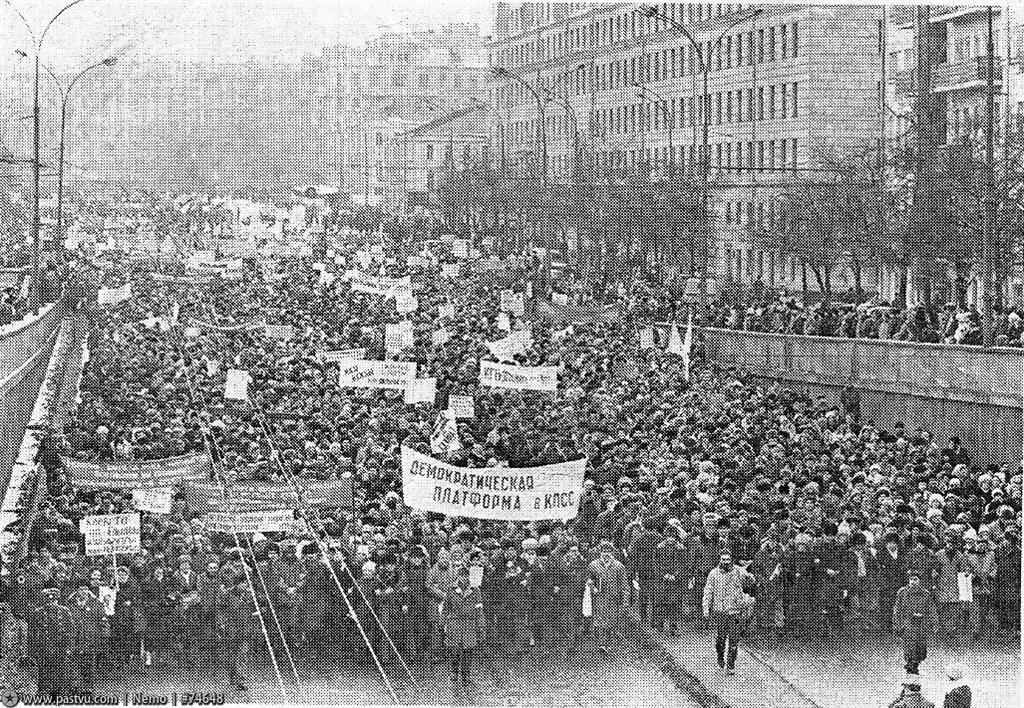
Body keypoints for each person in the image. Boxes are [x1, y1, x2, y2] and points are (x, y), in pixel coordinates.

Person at [703, 549, 754, 675]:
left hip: (735, 611)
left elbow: (750, 581)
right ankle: (720, 656)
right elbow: (708, 591)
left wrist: (749, 575)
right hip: (720, 612)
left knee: (734, 640)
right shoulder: (714, 573)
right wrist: (706, 608)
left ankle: (731, 664)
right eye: (723, 559)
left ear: (731, 559)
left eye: (728, 559)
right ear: (720, 560)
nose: (725, 562)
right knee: (721, 639)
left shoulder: (738, 571)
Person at [26, 586, 77, 698]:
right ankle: (44, 695)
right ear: (45, 600)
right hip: (44, 649)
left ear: (57, 600)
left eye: (54, 600)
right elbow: (32, 633)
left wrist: (69, 648)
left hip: (61, 648)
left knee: (61, 673)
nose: (52, 603)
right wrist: (34, 651)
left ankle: (61, 695)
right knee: (44, 673)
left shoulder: (65, 612)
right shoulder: (38, 613)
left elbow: (72, 631)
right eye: (49, 600)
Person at [442, 565, 484, 692]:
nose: (464, 578)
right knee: (455, 650)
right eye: (461, 575)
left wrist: (481, 626)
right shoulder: (451, 590)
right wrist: (442, 624)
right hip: (454, 623)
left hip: (470, 624)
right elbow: (445, 609)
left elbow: (479, 610)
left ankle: (466, 675)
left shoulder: (475, 591)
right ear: (458, 576)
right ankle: (454, 672)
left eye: (466, 576)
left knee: (468, 651)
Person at [892, 568, 938, 675]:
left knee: (921, 647)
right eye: (911, 579)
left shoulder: (925, 594)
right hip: (907, 623)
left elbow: (931, 609)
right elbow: (897, 609)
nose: (913, 582)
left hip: (922, 623)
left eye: (915, 579)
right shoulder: (902, 593)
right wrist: (897, 624)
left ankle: (915, 662)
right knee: (909, 645)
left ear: (919, 581)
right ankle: (910, 664)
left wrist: (934, 623)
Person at [587, 541, 628, 654]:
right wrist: (592, 587)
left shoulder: (619, 566)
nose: (606, 554)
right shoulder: (593, 566)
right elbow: (588, 581)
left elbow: (624, 585)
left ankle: (608, 643)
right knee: (599, 622)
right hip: (599, 599)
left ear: (612, 553)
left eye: (608, 552)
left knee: (611, 623)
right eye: (604, 552)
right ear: (600, 553)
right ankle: (601, 644)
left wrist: (625, 601)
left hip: (613, 599)